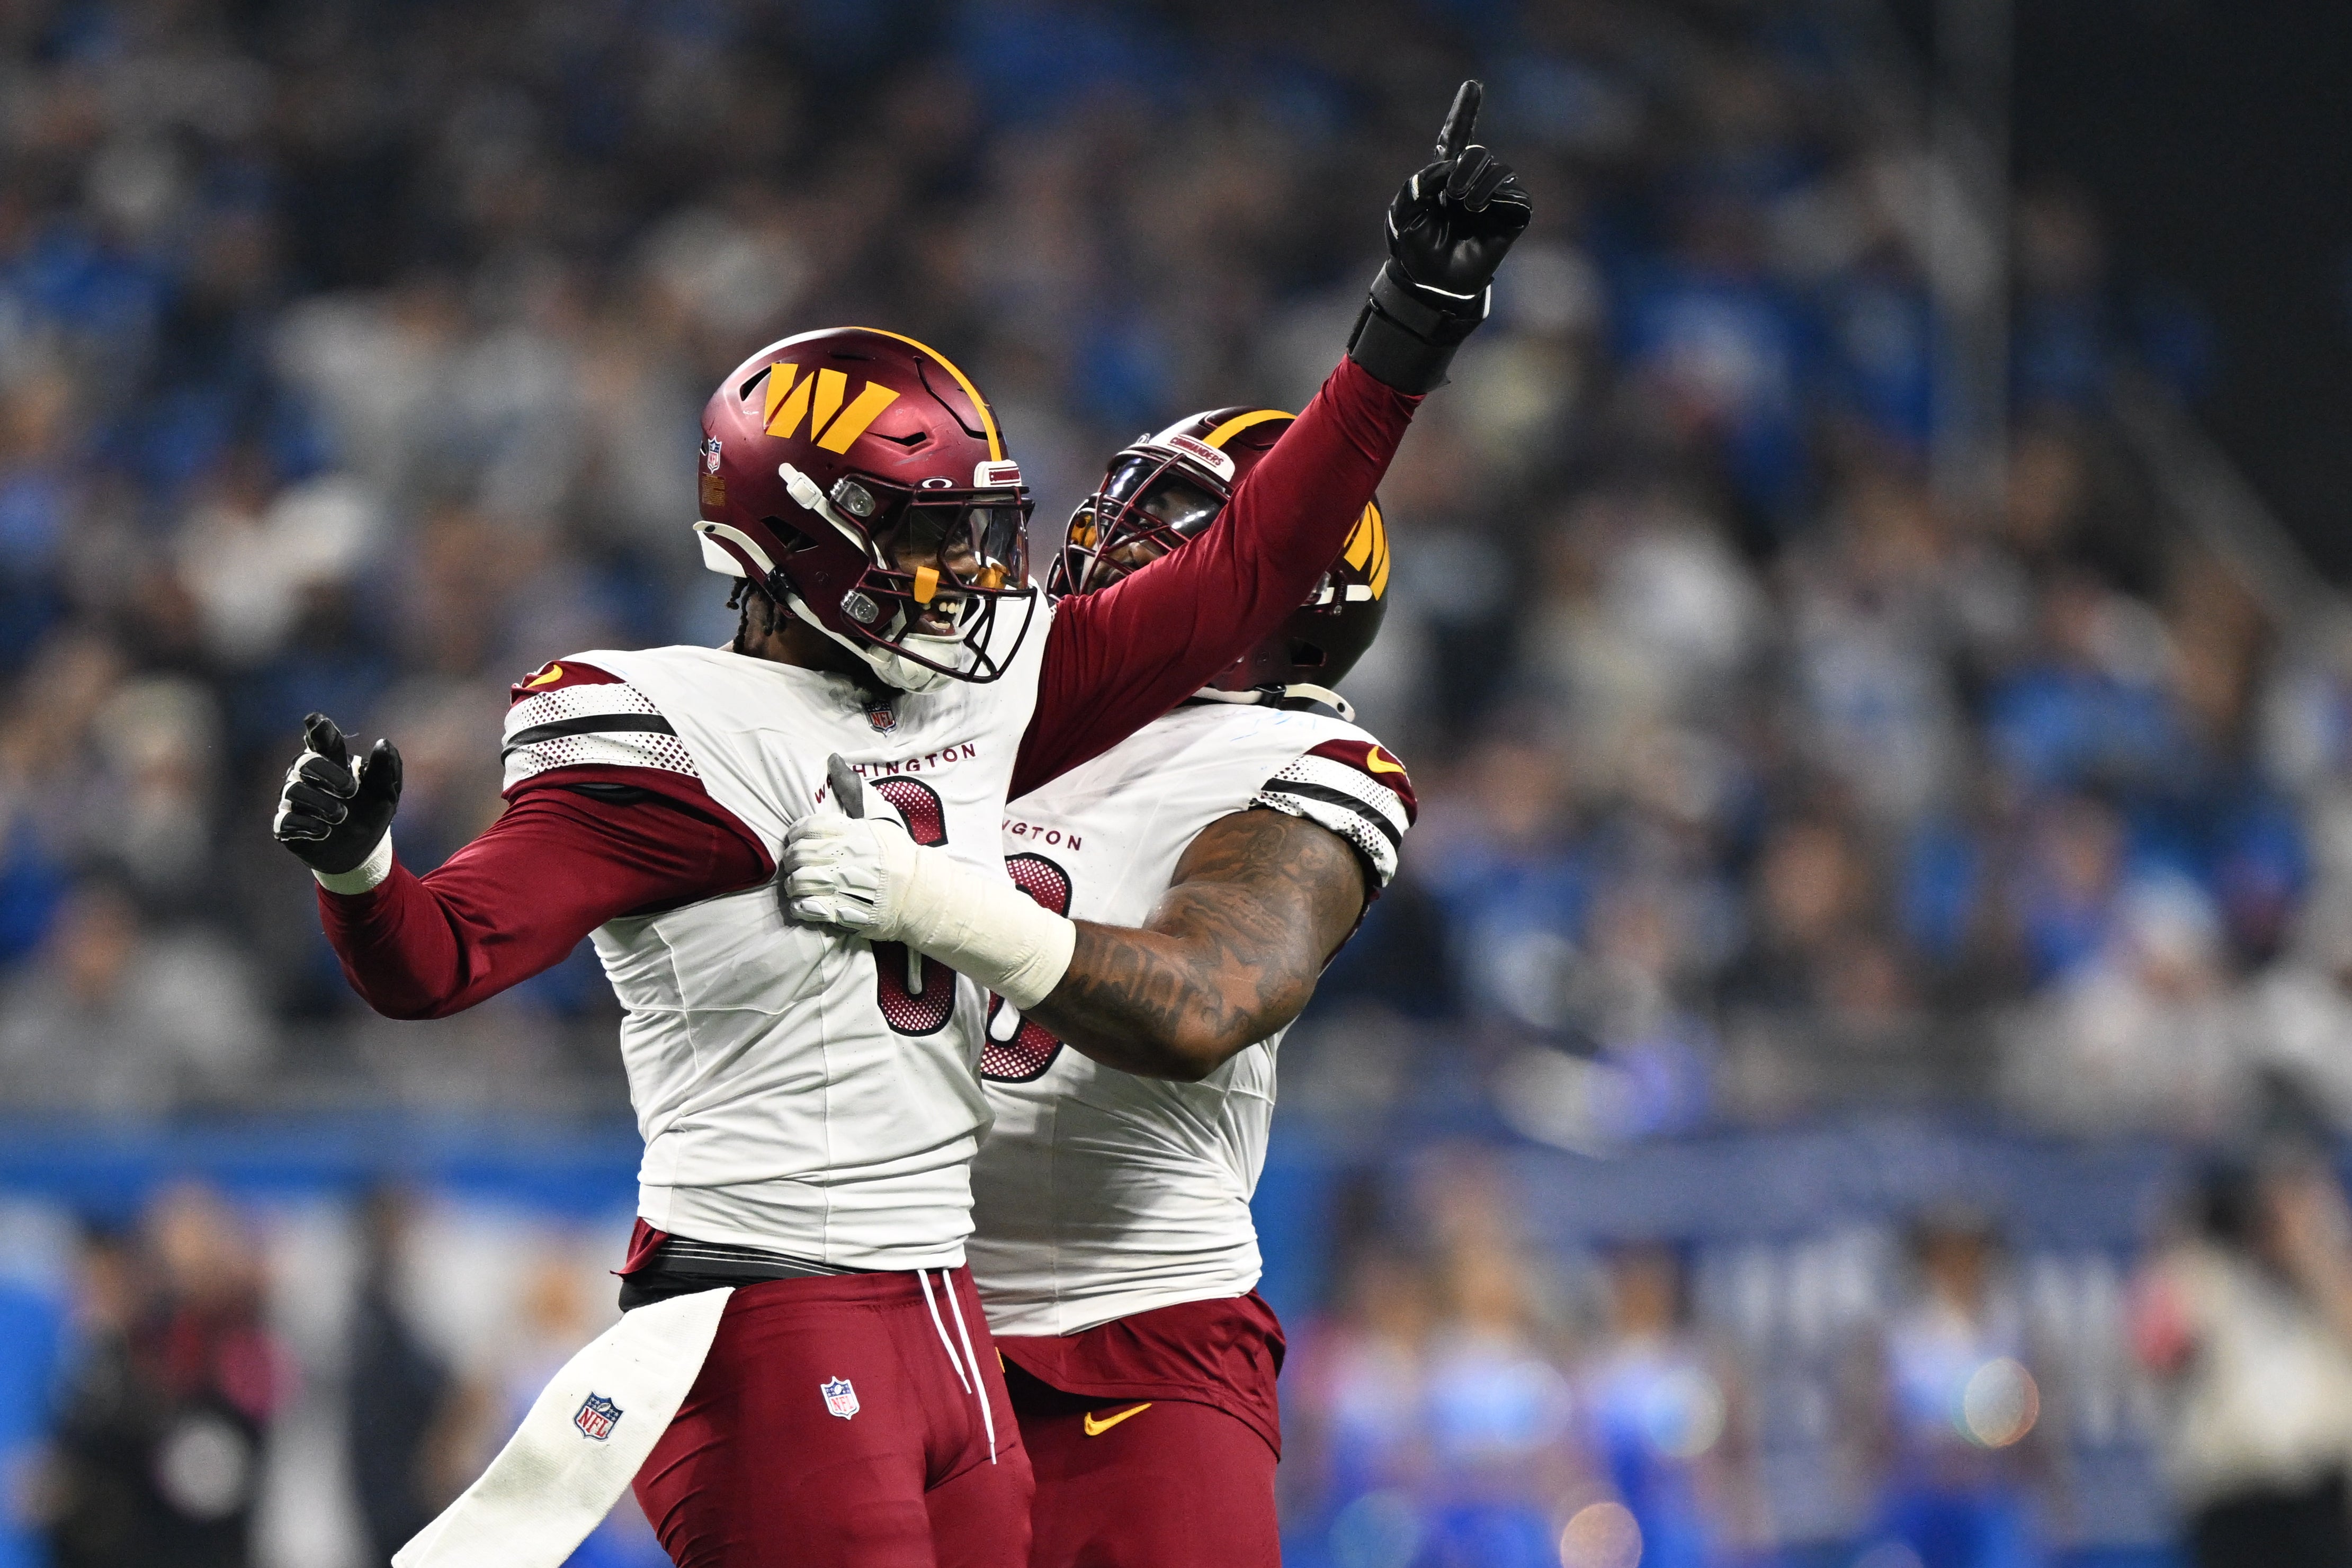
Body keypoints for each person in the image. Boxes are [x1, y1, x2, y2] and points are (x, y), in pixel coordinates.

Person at [269, 83, 1527, 1568]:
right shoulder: (669, 733)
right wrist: (359, 869)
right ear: (796, 533)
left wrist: (1402, 337)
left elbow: (1242, 592)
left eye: (971, 536)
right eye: (923, 541)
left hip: (977, 1304)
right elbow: (441, 958)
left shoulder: (1042, 706)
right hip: (781, 1291)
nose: (978, 581)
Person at [786, 400, 1418, 1566]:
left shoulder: (1298, 759)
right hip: (888, 1322)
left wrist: (934, 902)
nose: (1109, 539)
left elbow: (1203, 1001)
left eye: (1175, 526)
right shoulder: (965, 691)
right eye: (1124, 500)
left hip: (1129, 1337)